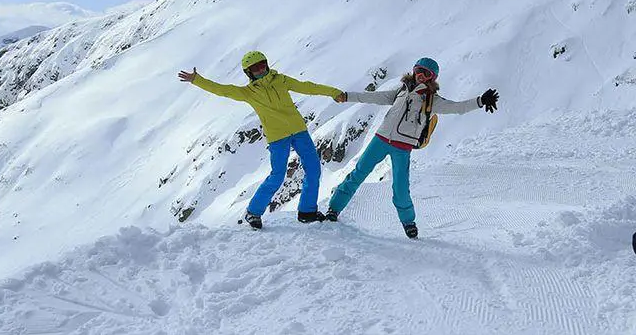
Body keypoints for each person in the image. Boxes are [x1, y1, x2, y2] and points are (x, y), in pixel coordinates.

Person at [327, 57, 499, 238]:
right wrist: (347, 96)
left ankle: (408, 222)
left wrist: (480, 101)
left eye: (426, 74)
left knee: (400, 188)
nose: (420, 76)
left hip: (403, 146)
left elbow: (457, 107)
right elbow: (373, 97)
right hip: (381, 139)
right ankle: (334, 209)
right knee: (358, 173)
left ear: (432, 78)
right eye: (418, 71)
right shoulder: (401, 91)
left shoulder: (432, 100)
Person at [178, 51, 343, 229]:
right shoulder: (248, 93)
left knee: (313, 170)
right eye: (255, 68)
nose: (260, 69)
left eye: (262, 64)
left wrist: (333, 92)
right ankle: (253, 212)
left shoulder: (281, 80)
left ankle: (307, 212)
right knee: (277, 175)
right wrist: (197, 79)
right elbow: (222, 90)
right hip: (277, 137)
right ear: (248, 72)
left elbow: (307, 87)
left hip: (299, 131)